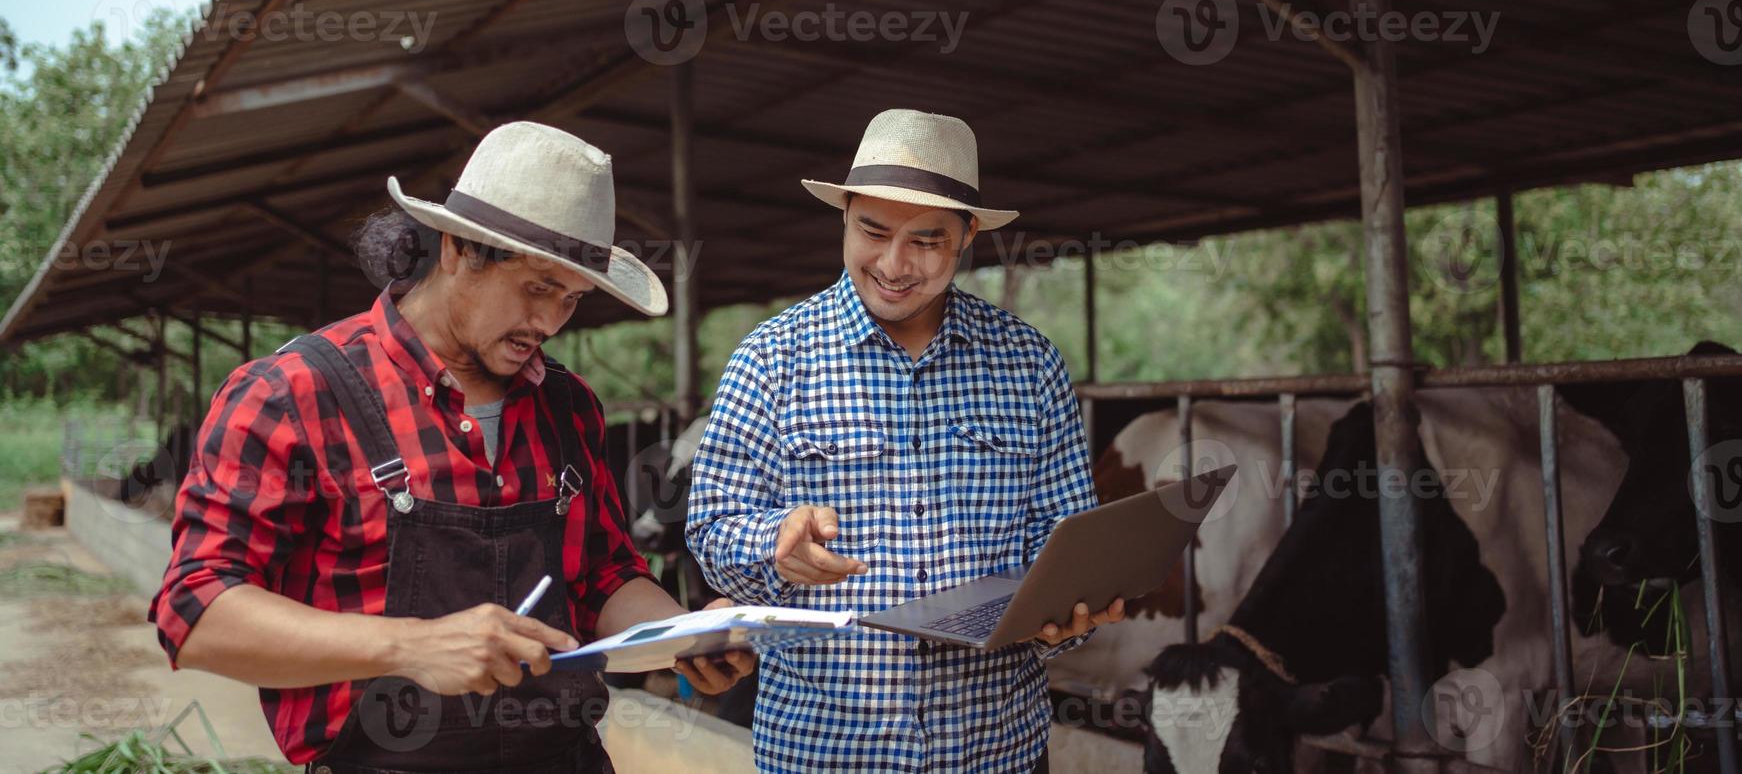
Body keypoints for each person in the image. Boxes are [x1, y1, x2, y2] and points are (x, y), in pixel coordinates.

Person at [150, 122, 752, 774]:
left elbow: (602, 575)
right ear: (460, 249)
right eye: (538, 287)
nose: (550, 322)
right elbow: (197, 613)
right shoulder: (295, 395)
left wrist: (683, 636)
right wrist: (409, 647)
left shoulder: (567, 408)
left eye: (571, 300)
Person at [685, 109, 1125, 773]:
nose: (894, 264)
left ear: (968, 236)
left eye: (927, 240)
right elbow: (713, 531)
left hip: (997, 750)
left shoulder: (1029, 364)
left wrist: (1065, 613)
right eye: (873, 230)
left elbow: (1060, 540)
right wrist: (772, 544)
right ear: (844, 215)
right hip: (824, 753)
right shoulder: (771, 359)